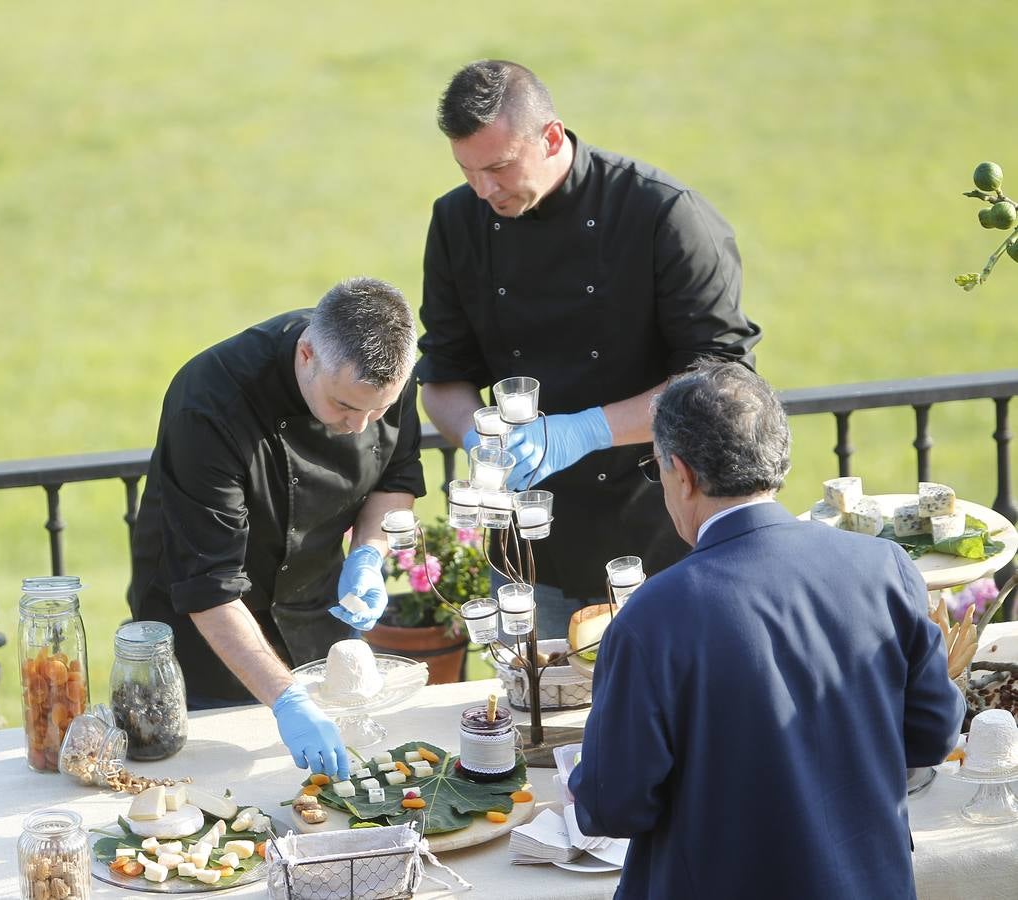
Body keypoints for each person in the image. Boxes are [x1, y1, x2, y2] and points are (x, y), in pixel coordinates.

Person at [568, 360, 964, 897]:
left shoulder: (652, 618)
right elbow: (934, 733)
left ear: (681, 474)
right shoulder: (885, 568)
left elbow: (612, 805)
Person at [418, 59, 762, 638]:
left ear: (551, 137)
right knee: (537, 713)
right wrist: (479, 438)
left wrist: (584, 431)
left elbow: (722, 379)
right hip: (528, 553)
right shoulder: (456, 220)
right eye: (468, 170)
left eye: (499, 167)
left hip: (660, 535)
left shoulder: (663, 214)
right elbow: (443, 374)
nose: (483, 190)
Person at [129, 276, 425, 780]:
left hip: (316, 620)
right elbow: (209, 587)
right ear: (307, 354)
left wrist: (369, 554)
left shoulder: (387, 371)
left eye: (377, 411)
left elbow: (396, 477)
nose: (360, 425)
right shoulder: (208, 403)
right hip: (207, 646)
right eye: (346, 407)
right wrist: (288, 700)